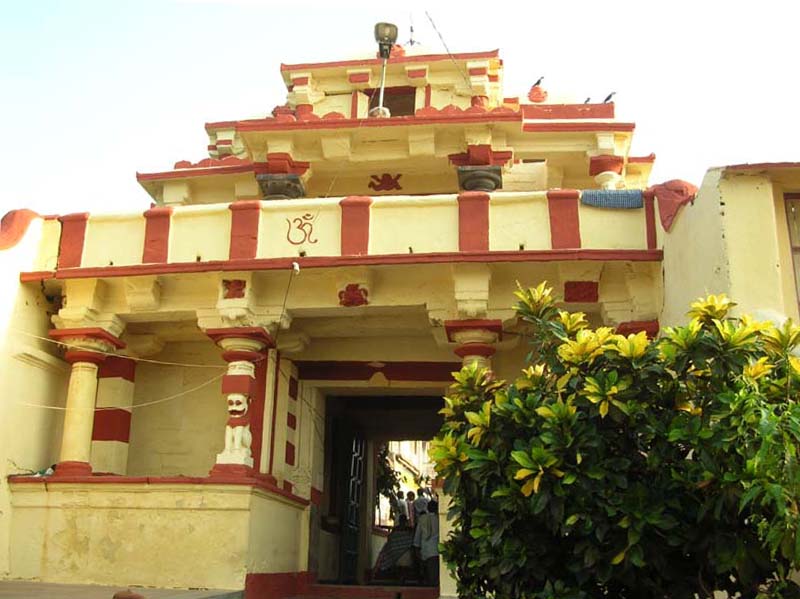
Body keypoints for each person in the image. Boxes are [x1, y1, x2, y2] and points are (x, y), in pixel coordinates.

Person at [413, 499, 440, 586]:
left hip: (425, 551)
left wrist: (417, 548)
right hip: (438, 549)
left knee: (428, 576)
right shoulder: (439, 518)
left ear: (427, 508)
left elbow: (417, 537)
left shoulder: (422, 518)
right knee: (435, 577)